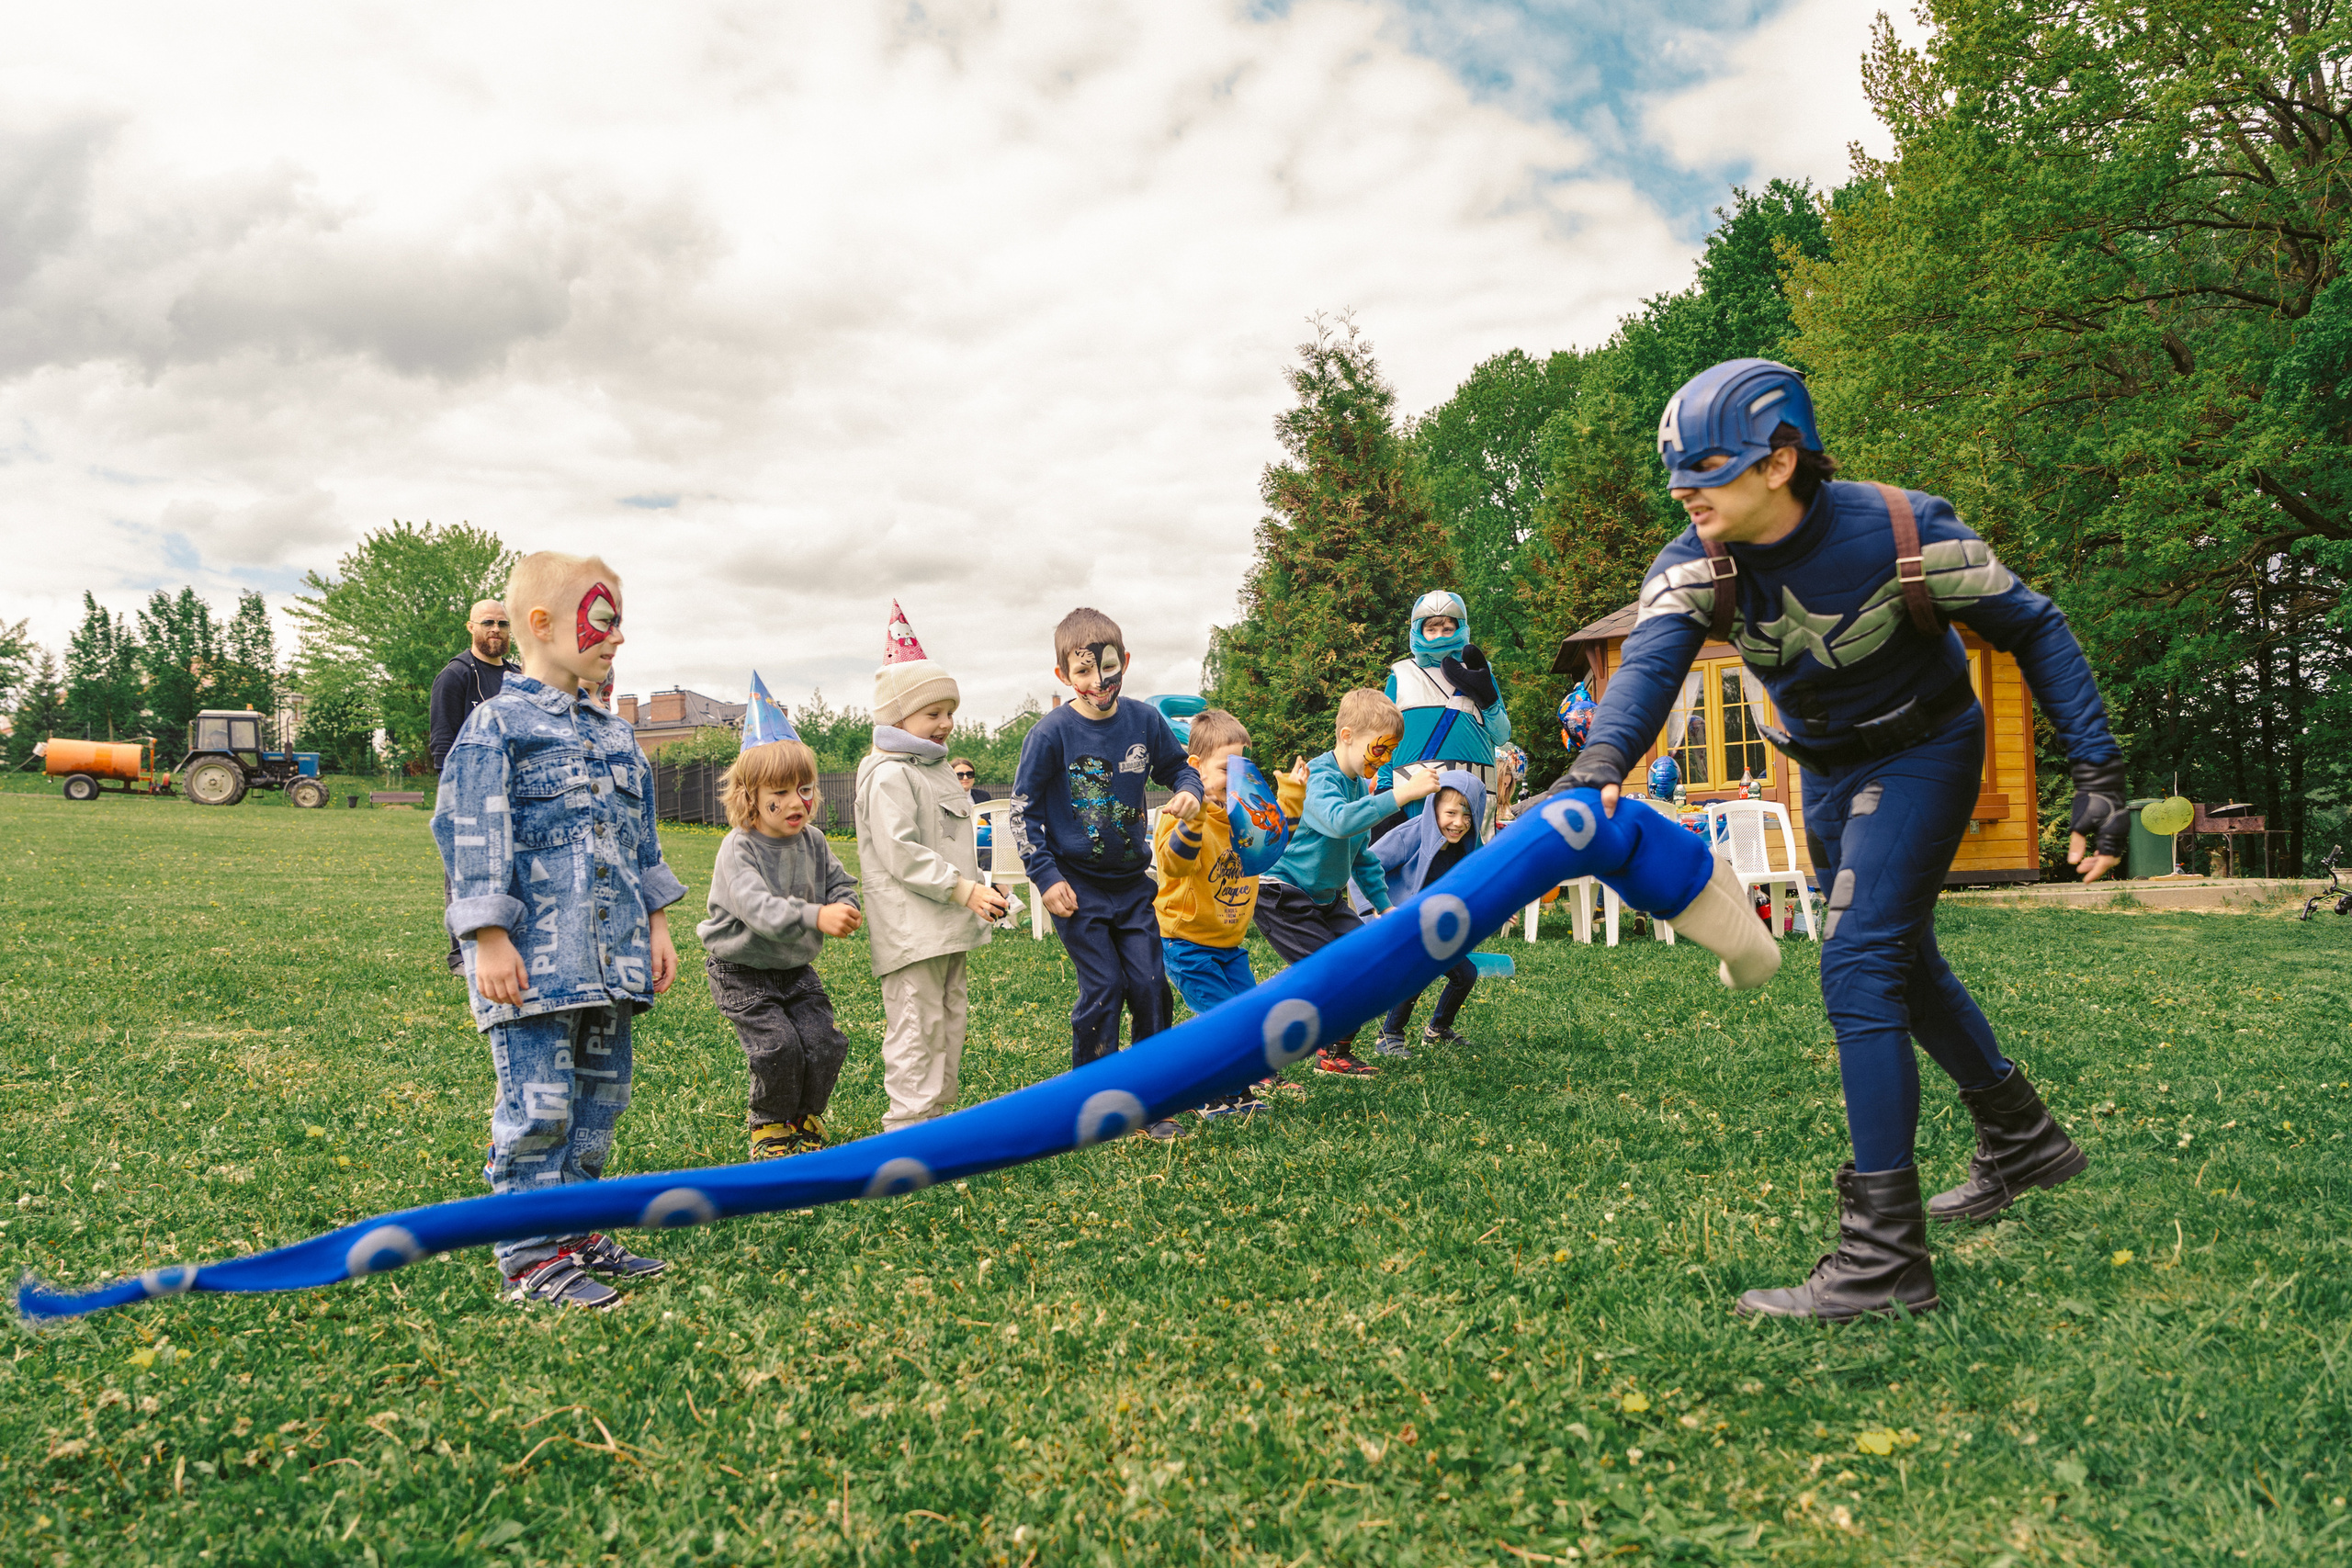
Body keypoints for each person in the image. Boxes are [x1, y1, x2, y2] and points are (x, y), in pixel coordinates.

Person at [1565, 357, 2126, 1321]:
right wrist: (1596, 766)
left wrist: (2097, 773)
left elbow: (2035, 626)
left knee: (1860, 961)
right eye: (1675, 473)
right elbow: (1647, 672)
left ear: (1779, 461)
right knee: (1898, 958)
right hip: (1821, 767)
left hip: (1926, 749)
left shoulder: (1908, 532)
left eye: (1705, 467)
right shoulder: (1693, 566)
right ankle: (2021, 1137)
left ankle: (1885, 1258)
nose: (1682, 491)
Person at [431, 553, 684, 1312]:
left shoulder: (617, 737)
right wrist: (487, 935)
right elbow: (471, 829)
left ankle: (575, 1229)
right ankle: (528, 1255)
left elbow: (641, 839)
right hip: (535, 968)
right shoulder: (497, 726)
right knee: (538, 1111)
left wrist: (658, 922)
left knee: (597, 1107)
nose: (617, 637)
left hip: (611, 962)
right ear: (541, 624)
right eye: (603, 621)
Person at [1010, 608, 1204, 1138]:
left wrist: (1190, 790)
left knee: (1150, 985)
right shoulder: (1050, 734)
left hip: (1133, 886)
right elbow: (1022, 812)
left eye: (1109, 667)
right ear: (1063, 675)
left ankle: (1152, 1100)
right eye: (1083, 671)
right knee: (1105, 987)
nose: (1099, 680)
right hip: (1076, 888)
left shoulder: (1144, 721)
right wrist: (1046, 877)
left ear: (1126, 662)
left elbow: (1178, 767)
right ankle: (1094, 1100)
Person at [1253, 689, 1442, 1077]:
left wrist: (1383, 905)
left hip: (1325, 899)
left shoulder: (1356, 783)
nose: (1384, 760)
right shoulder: (1320, 778)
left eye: (1390, 752)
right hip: (1282, 895)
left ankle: (1333, 1051)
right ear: (1347, 736)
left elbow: (1361, 854)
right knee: (1332, 970)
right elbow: (1339, 821)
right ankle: (1259, 1029)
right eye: (1380, 749)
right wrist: (1402, 793)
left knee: (1370, 960)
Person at [856, 649, 1007, 1133]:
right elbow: (902, 852)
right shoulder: (889, 775)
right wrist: (963, 890)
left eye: (949, 713)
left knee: (946, 1020)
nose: (945, 724)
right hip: (912, 931)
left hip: (946, 926)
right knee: (915, 1026)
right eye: (933, 713)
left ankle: (935, 1120)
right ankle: (907, 1126)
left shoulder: (933, 767)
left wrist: (974, 891)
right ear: (897, 717)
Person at [699, 736, 863, 1160]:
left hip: (795, 967)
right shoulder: (739, 847)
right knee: (779, 1047)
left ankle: (804, 1116)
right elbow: (759, 909)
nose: (796, 802)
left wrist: (845, 904)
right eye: (781, 792)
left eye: (804, 789)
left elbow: (840, 883)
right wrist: (815, 915)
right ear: (749, 796)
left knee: (824, 1043)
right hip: (741, 968)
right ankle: (769, 1123)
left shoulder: (814, 841)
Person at [1151, 709, 1306, 1119]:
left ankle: (1237, 1093)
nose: (1235, 778)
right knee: (1221, 1022)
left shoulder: (1242, 816)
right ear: (1195, 767)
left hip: (1229, 943)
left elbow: (1271, 842)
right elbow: (1174, 865)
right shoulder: (1177, 815)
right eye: (1225, 769)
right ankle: (1205, 1094)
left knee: (1248, 1020)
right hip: (1187, 943)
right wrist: (1194, 821)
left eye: (1242, 768)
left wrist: (1292, 796)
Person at [1368, 769, 1487, 1058]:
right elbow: (1366, 864)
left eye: (1467, 816)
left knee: (1466, 974)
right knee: (1418, 971)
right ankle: (1389, 1035)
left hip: (1436, 927)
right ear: (1434, 808)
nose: (1459, 823)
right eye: (1451, 813)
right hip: (1400, 922)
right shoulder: (1411, 834)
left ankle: (1438, 1029)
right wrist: (1375, 907)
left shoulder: (1468, 845)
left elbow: (1484, 876)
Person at [428, 599, 519, 975]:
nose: (495, 629)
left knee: (511, 870)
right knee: (465, 871)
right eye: (487, 622)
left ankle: (509, 942)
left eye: (502, 623)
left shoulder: (517, 676)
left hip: (513, 789)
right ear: (471, 627)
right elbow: (442, 740)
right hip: (470, 789)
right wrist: (455, 794)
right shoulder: (455, 675)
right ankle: (461, 955)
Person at [1377, 591, 1510, 828]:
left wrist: (1488, 701)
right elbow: (1385, 737)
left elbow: (1502, 735)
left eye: (1447, 629)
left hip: (1471, 800)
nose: (1439, 636)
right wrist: (1385, 791)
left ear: (1460, 629)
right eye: (1431, 629)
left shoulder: (1479, 671)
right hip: (1415, 800)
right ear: (1419, 631)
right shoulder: (1400, 676)